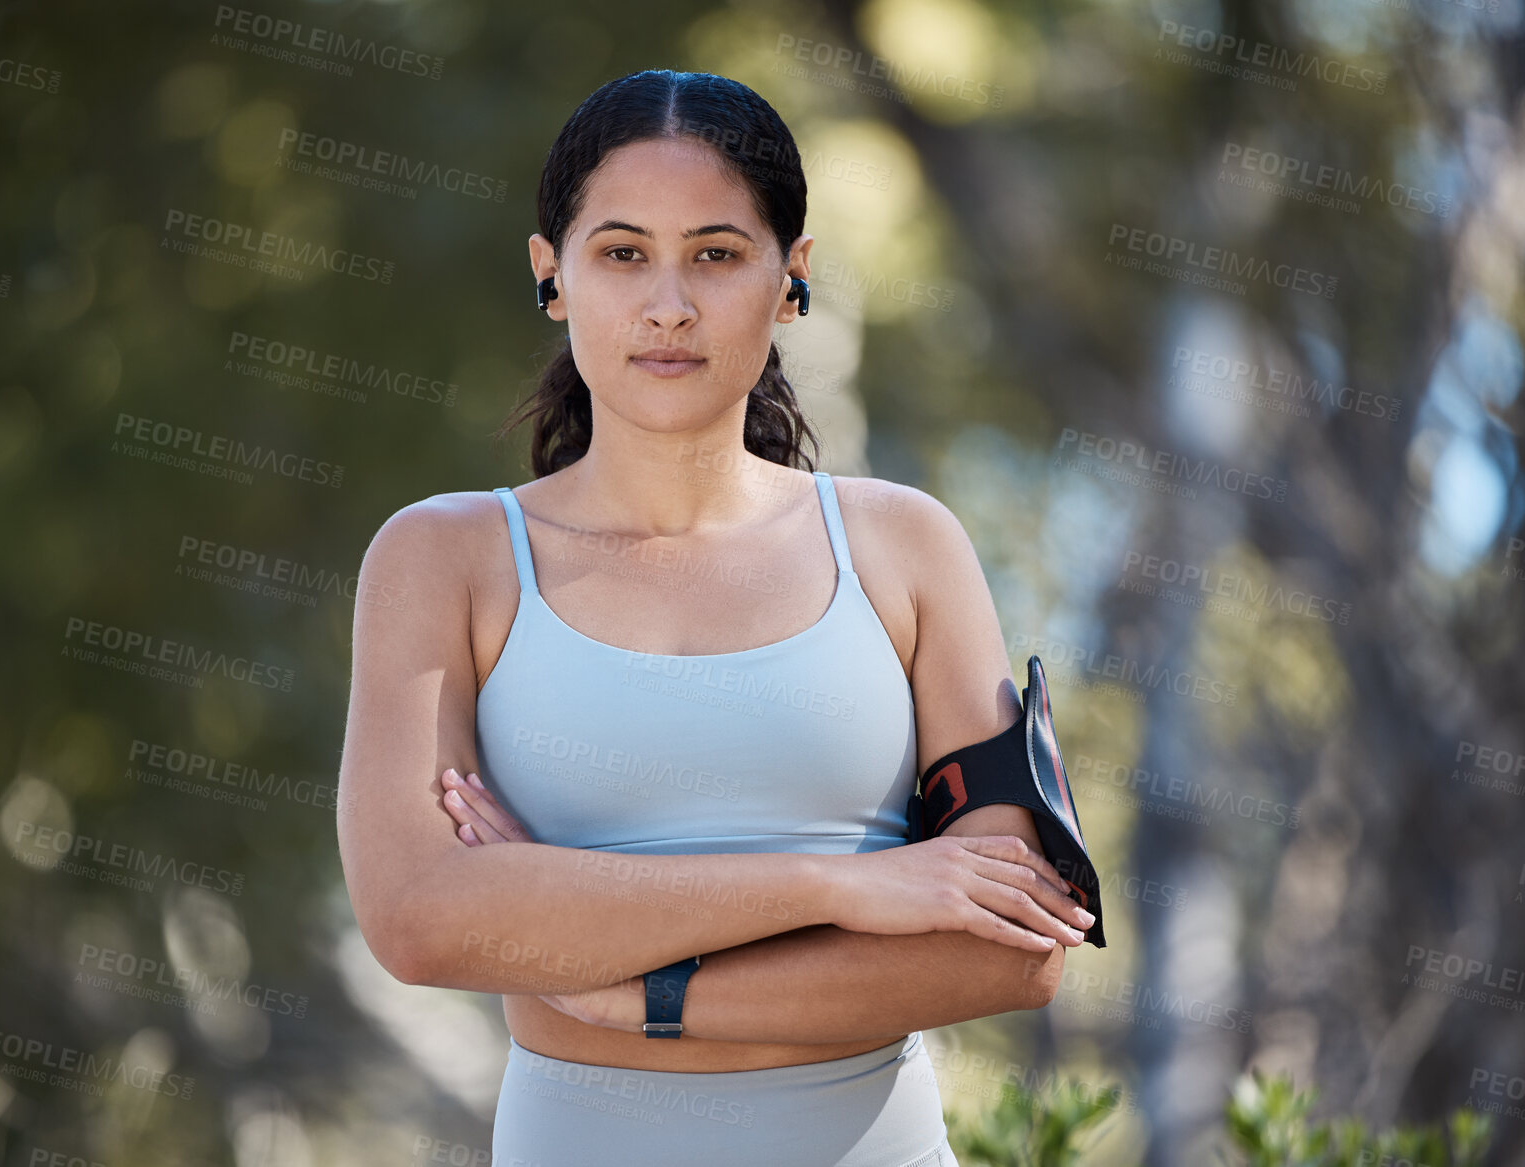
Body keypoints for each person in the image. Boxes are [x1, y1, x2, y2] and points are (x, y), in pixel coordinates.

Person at [336, 68, 1094, 1167]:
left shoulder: (903, 547)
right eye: (622, 253)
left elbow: (1014, 950)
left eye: (717, 254)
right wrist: (845, 882)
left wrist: (615, 985)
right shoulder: (442, 559)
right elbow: (417, 916)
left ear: (791, 279)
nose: (668, 305)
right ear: (551, 275)